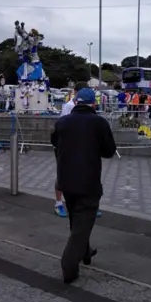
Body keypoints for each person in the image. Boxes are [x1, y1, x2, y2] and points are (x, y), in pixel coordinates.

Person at [51, 88, 117, 283]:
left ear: (75, 102)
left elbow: (54, 141)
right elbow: (109, 151)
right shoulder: (99, 122)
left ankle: (85, 252)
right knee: (82, 223)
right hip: (88, 181)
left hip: (66, 180)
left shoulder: (62, 121)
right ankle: (69, 265)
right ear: (93, 104)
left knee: (77, 220)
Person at [54, 81, 87, 217]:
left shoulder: (88, 106)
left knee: (83, 175)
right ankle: (58, 203)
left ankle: (83, 203)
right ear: (76, 92)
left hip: (82, 146)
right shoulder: (68, 106)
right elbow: (61, 125)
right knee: (63, 175)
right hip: (66, 146)